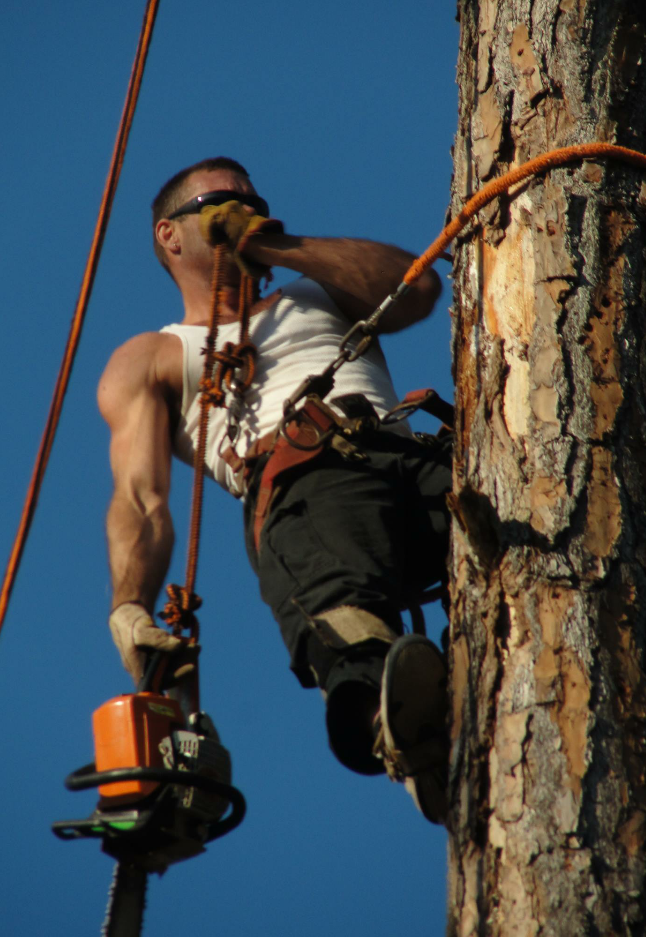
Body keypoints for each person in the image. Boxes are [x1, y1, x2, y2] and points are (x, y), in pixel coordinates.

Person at [99, 156, 452, 824]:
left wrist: (268, 245)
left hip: (410, 455)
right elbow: (141, 498)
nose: (240, 208)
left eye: (250, 200)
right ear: (170, 237)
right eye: (217, 204)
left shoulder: (312, 292)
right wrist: (130, 607)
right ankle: (382, 715)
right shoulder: (154, 356)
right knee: (344, 611)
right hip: (305, 480)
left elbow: (415, 290)